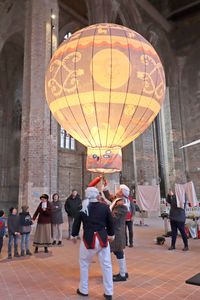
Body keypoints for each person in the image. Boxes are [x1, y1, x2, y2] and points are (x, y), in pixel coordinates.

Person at [72, 187, 114, 300]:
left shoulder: (83, 207)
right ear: (97, 195)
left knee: (84, 264)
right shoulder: (105, 207)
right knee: (107, 265)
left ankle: (84, 290)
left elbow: (76, 222)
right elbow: (110, 222)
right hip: (102, 238)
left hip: (88, 239)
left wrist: (74, 235)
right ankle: (108, 292)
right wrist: (111, 234)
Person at [109, 185, 128, 282]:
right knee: (118, 251)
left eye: (119, 190)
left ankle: (122, 275)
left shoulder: (122, 206)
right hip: (117, 231)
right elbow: (110, 197)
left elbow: (113, 218)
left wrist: (104, 211)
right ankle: (124, 271)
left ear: (122, 194)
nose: (117, 190)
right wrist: (104, 187)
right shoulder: (118, 201)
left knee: (118, 251)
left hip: (117, 232)